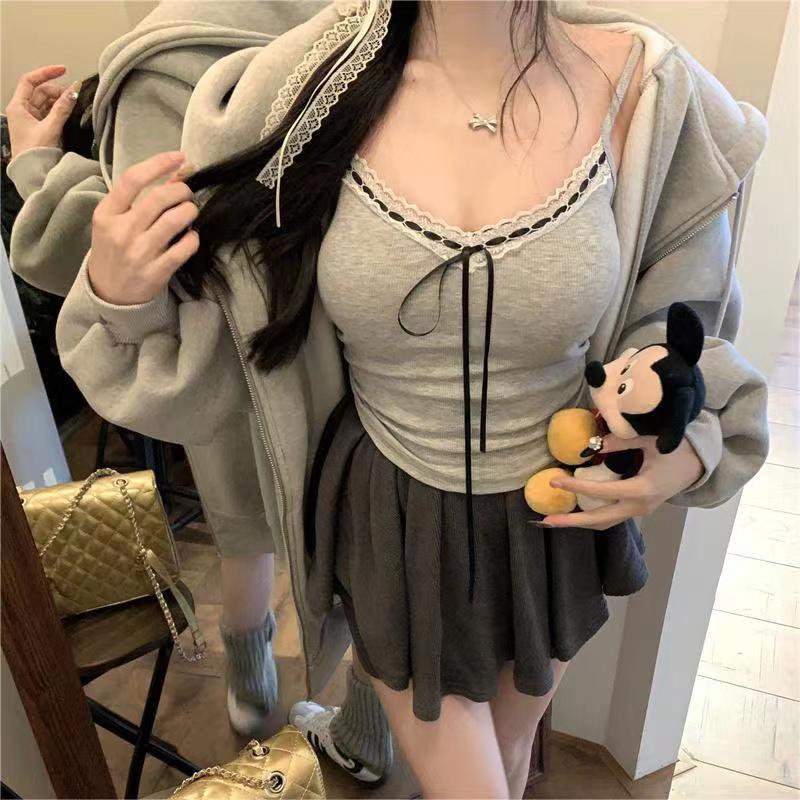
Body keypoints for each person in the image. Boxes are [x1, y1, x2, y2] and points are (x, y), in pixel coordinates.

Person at [53, 0, 769, 796]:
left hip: (556, 519)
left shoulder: (648, 90)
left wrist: (690, 439)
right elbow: (224, 334)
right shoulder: (302, 91)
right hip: (394, 525)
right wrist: (121, 295)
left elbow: (682, 318)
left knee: (507, 758)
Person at [4, 3, 396, 784]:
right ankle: (366, 730)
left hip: (239, 373)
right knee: (375, 560)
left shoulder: (167, 60)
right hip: (371, 374)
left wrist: (38, 165)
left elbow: (127, 246)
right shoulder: (391, 27)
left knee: (244, 534)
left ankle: (252, 693)